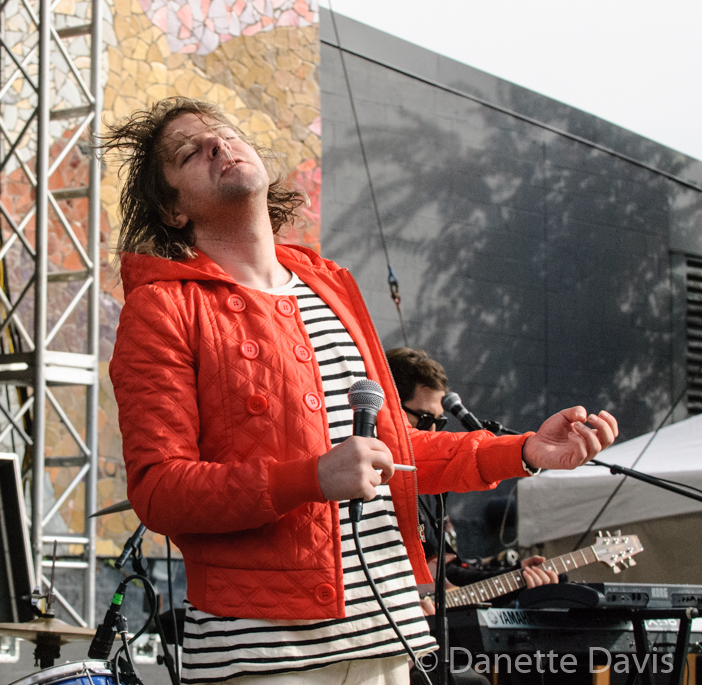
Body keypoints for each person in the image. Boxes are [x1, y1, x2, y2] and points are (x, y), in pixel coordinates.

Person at [101, 97, 618, 685]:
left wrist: (524, 452)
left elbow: (391, 453)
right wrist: (312, 477)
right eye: (189, 151)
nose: (217, 145)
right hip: (263, 655)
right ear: (172, 210)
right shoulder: (162, 308)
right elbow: (159, 489)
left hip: (388, 638)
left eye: (222, 133)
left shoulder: (333, 286)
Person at [385, 347, 559, 596]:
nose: (433, 430)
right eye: (424, 419)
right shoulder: (364, 476)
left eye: (440, 421)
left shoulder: (433, 485)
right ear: (389, 410)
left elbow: (447, 573)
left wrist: (514, 577)